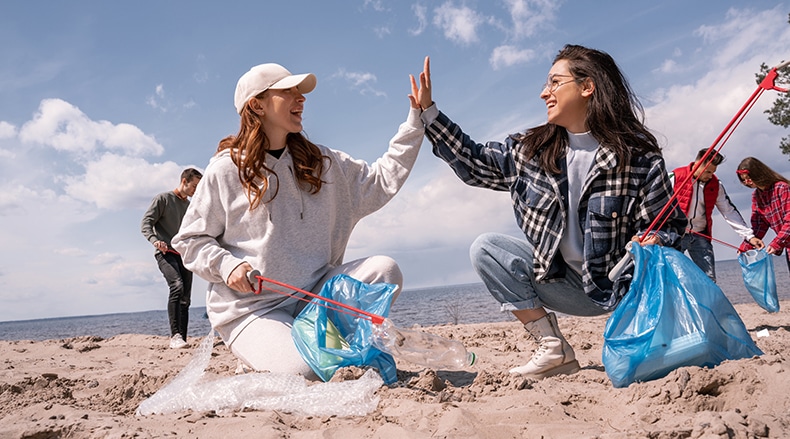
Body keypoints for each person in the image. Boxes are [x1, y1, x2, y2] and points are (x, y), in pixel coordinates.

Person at [410, 46, 687, 379]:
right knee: (487, 248)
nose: (544, 93)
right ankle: (553, 348)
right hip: (566, 286)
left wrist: (653, 238)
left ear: (587, 87)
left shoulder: (639, 159)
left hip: (623, 290)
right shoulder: (530, 151)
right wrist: (429, 112)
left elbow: (671, 226)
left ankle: (656, 340)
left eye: (555, 82)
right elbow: (474, 162)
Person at [171, 63, 424, 378]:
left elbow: (380, 180)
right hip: (252, 310)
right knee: (304, 371)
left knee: (385, 271)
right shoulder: (224, 171)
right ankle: (265, 350)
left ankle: (316, 341)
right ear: (256, 105)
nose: (300, 99)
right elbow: (190, 241)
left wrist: (416, 120)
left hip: (316, 300)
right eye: (287, 91)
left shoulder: (323, 163)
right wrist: (227, 266)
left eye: (300, 92)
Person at [670, 148, 762, 281]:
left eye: (713, 172)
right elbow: (657, 203)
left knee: (709, 279)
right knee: (674, 278)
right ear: (697, 163)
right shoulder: (675, 177)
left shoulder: (716, 184)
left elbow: (729, 211)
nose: (710, 175)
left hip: (700, 235)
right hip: (677, 234)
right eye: (707, 171)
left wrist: (749, 236)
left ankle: (707, 302)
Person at [141, 168, 203, 349]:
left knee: (186, 298)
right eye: (194, 186)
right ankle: (175, 336)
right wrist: (155, 241)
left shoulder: (190, 207)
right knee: (176, 286)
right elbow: (146, 223)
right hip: (165, 253)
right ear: (184, 181)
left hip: (184, 255)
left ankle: (182, 338)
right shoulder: (163, 199)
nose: (196, 191)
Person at [736, 157, 788, 266]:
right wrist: (746, 246)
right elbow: (759, 226)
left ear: (758, 173)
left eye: (749, 178)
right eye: (743, 180)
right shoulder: (756, 196)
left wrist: (776, 244)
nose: (747, 182)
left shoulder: (782, 188)